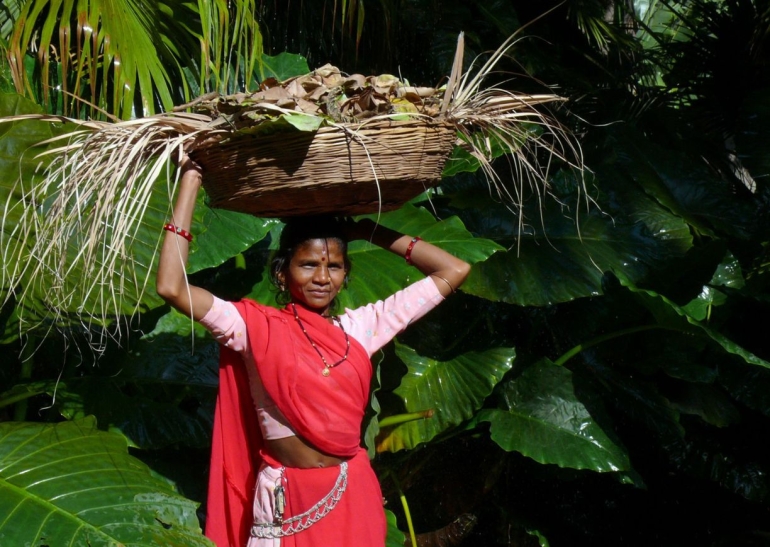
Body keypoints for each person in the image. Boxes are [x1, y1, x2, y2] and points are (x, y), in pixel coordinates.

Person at [156, 157, 471, 547]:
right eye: (307, 265)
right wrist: (191, 180)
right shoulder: (251, 327)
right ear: (281, 272)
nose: (322, 277)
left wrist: (368, 230)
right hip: (286, 502)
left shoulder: (360, 328)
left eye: (334, 266)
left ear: (345, 274)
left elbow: (453, 271)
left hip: (352, 497)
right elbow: (172, 286)